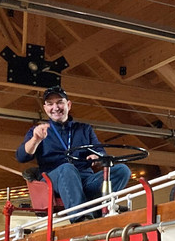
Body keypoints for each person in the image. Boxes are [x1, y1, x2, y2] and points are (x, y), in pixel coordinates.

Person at [16, 86, 131, 220]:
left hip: (85, 180)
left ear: (68, 105)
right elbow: (21, 156)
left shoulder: (84, 129)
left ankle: (99, 209)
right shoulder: (38, 131)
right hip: (54, 180)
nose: (55, 107)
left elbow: (101, 153)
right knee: (67, 168)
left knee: (122, 170)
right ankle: (81, 218)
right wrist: (35, 140)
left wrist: (97, 157)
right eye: (50, 104)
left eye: (60, 102)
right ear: (45, 108)